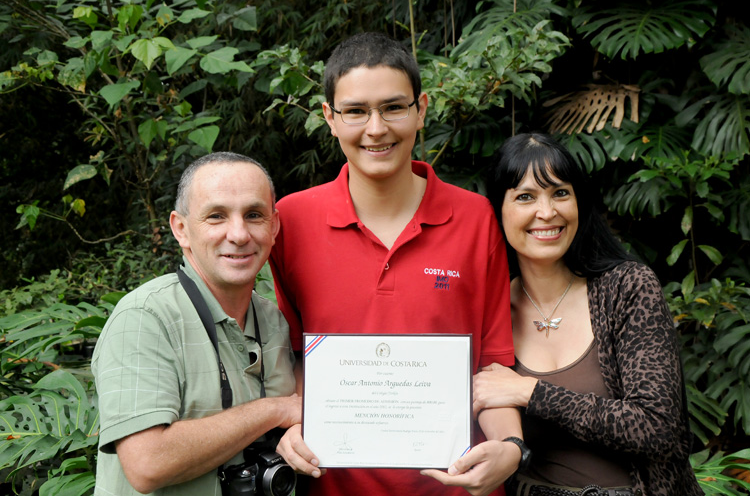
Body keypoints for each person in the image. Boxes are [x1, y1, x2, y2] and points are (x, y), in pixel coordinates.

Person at [269, 32, 524, 496]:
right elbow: (289, 358)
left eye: (393, 107)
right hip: (331, 483)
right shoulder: (291, 221)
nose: (376, 128)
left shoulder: (474, 218)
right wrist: (290, 425)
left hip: (455, 486)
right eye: (355, 111)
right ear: (329, 117)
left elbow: (492, 368)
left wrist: (510, 447)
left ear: (421, 109)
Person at [475, 133, 702, 496]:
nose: (547, 212)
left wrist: (531, 392)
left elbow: (656, 428)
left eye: (560, 193)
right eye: (525, 197)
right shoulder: (489, 307)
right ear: (497, 211)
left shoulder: (627, 288)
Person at [92, 152, 301, 495]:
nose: (239, 234)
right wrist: (274, 409)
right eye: (216, 216)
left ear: (274, 226)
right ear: (181, 229)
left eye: (254, 215)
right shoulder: (145, 318)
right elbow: (148, 464)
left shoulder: (273, 320)